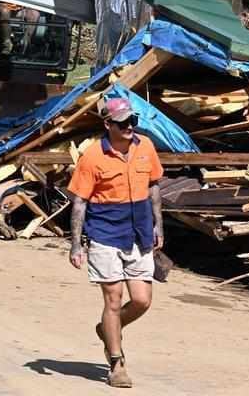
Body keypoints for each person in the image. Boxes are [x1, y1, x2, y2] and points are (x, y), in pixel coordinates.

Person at [68, 97, 164, 389]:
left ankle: (108, 329)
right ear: (108, 124)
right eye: (123, 122)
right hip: (105, 232)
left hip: (139, 231)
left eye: (133, 121)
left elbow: (154, 186)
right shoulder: (92, 157)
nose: (130, 127)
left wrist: (159, 224)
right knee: (112, 299)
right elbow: (80, 203)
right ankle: (116, 362)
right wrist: (76, 244)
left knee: (141, 300)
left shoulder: (146, 146)